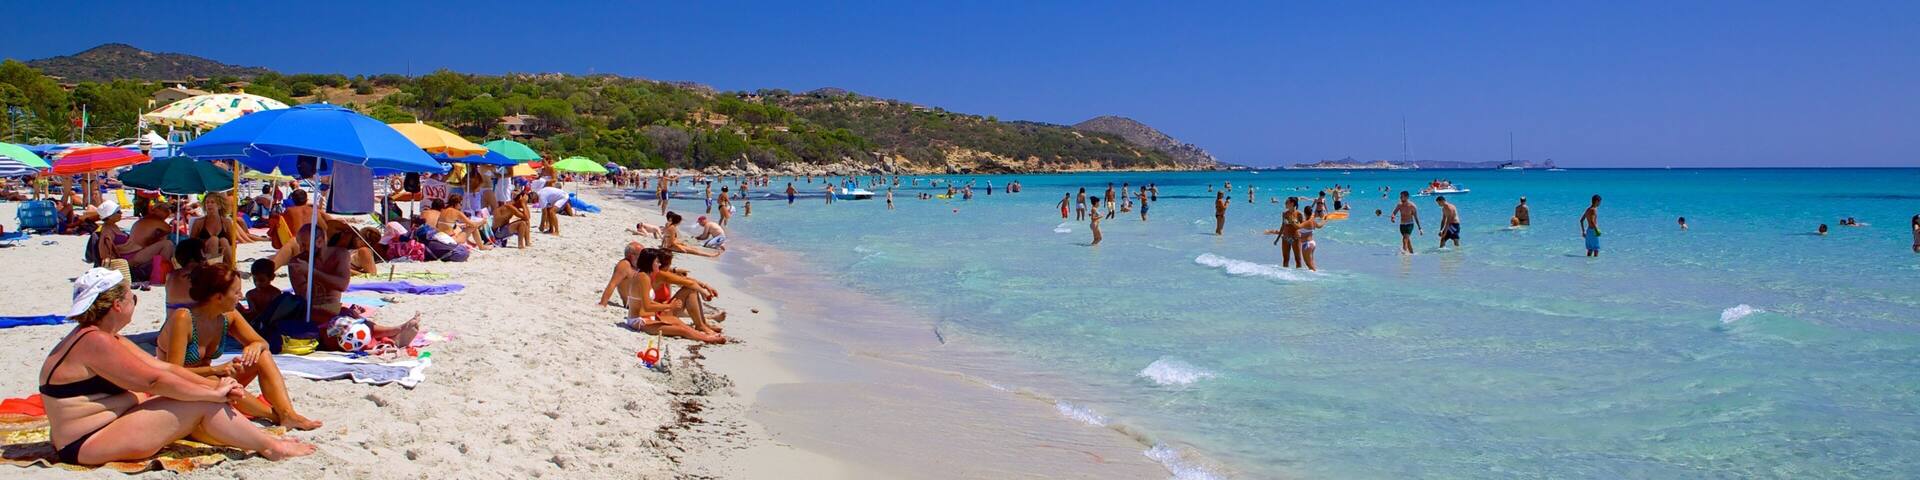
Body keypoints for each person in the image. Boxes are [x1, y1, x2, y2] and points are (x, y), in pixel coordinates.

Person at [38, 268, 316, 466]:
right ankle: (272, 446)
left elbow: (165, 371)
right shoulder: (96, 341)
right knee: (202, 405)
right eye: (131, 297)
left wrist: (212, 387)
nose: (134, 302)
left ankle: (267, 430)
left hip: (94, 432)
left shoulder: (101, 337)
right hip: (85, 442)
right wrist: (213, 393)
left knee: (201, 399)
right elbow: (153, 381)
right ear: (117, 305)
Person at [159, 266, 321, 430]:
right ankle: (275, 415)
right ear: (218, 297)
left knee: (262, 355)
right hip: (181, 387)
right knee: (217, 381)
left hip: (212, 379)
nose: (241, 296)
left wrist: (254, 346)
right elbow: (173, 372)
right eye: (236, 292)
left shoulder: (227, 316)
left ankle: (288, 414)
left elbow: (262, 343)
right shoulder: (183, 318)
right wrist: (215, 370)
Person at [623, 248, 726, 344]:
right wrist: (669, 306)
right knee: (681, 330)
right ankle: (708, 338)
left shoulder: (645, 275)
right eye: (657, 262)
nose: (659, 264)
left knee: (677, 322)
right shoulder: (643, 278)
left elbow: (646, 302)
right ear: (650, 263)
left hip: (650, 317)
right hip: (639, 321)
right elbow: (647, 306)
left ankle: (703, 331)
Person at [90, 200, 175, 285]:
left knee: (163, 242)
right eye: (118, 212)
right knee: (167, 245)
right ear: (110, 216)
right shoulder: (107, 229)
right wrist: (109, 261)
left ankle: (159, 274)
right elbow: (104, 246)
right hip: (130, 257)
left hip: (131, 254)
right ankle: (161, 275)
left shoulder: (112, 226)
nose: (121, 213)